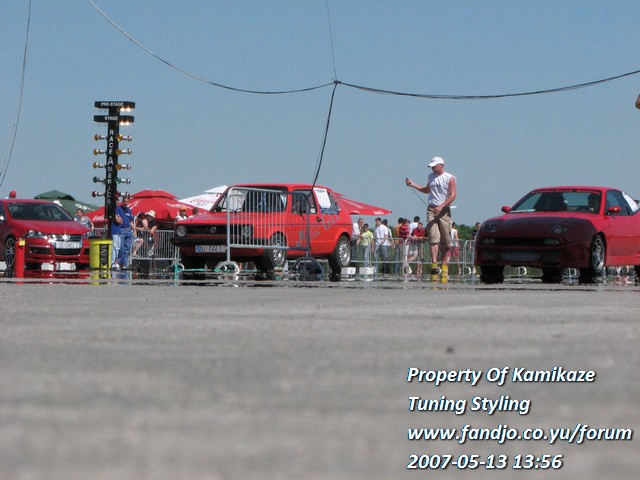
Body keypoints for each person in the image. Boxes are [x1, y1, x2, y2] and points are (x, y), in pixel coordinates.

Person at [405, 156, 457, 283]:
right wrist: (413, 184)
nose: (432, 168)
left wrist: (442, 206)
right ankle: (434, 264)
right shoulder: (430, 177)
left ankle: (444, 265)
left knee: (446, 241)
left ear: (441, 165)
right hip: (431, 209)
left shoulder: (449, 178)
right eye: (431, 166)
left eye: (434, 166)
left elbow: (453, 195)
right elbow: (427, 190)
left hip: (444, 210)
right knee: (433, 237)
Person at [114, 195, 135, 269]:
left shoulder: (129, 210)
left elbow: (130, 221)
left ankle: (125, 264)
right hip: (121, 229)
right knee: (121, 248)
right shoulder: (118, 209)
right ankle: (119, 263)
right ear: (122, 202)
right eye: (124, 201)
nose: (126, 203)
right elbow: (118, 219)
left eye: (127, 201)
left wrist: (134, 230)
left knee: (127, 248)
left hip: (128, 229)